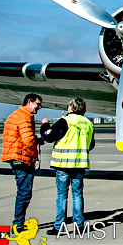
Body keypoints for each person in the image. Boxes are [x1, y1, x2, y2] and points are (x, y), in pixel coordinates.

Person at [41, 98, 95, 235]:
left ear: (71, 107)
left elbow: (48, 136)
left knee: (62, 195)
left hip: (63, 164)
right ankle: (80, 225)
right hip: (79, 164)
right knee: (77, 194)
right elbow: (91, 144)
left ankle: (59, 226)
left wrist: (45, 125)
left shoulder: (65, 121)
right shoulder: (88, 123)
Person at [1, 93, 47, 233]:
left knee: (23, 190)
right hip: (21, 157)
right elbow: (27, 141)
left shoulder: (16, 114)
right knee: (24, 192)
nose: (40, 107)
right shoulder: (24, 117)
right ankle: (18, 224)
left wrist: (36, 140)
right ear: (29, 102)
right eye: (38, 104)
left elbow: (24, 137)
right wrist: (34, 157)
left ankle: (18, 222)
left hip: (15, 155)